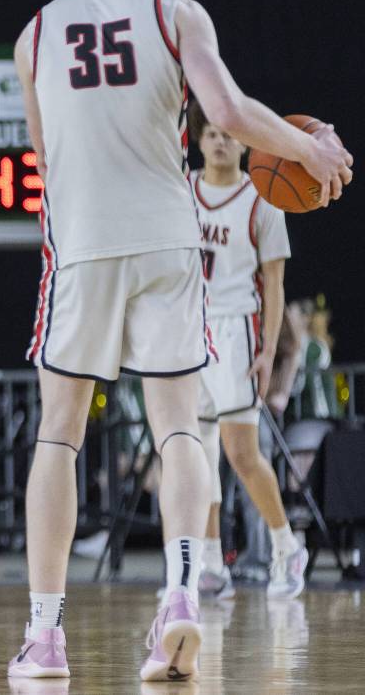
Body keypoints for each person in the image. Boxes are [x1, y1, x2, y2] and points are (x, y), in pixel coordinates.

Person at [7, 0, 351, 683]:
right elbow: (227, 111)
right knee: (179, 429)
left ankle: (47, 638)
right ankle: (181, 596)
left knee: (59, 432)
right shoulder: (173, 9)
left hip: (84, 246)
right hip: (169, 237)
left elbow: (43, 159)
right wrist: (308, 147)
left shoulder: (34, 34)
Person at [189, 97, 309, 600]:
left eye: (229, 134)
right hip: (185, 330)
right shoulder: (181, 191)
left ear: (246, 142)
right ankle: (212, 562)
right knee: (193, 454)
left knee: (241, 453)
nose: (220, 141)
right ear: (198, 139)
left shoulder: (263, 200)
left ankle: (286, 546)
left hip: (237, 329)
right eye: (211, 133)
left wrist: (266, 350)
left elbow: (275, 286)